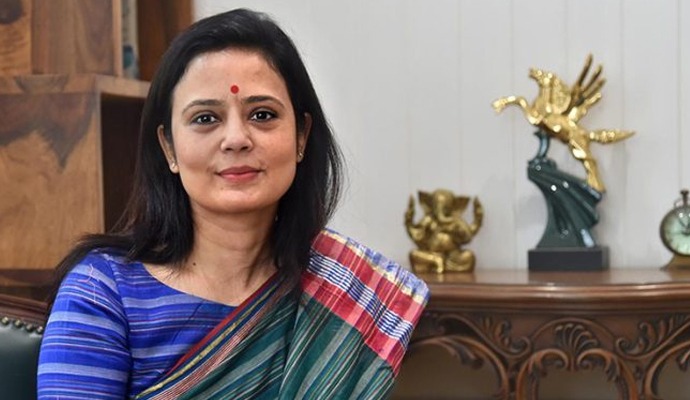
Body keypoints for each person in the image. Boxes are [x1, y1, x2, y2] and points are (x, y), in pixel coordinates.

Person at [37, 8, 429, 400]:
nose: (236, 139)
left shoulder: (344, 296)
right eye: (206, 118)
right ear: (169, 147)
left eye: (263, 114)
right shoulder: (103, 292)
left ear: (301, 136)